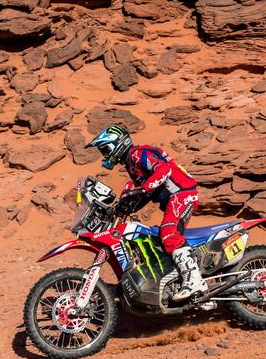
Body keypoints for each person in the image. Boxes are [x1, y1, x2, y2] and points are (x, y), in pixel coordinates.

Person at [86, 124, 207, 301]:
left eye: (105, 149)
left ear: (117, 144)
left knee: (168, 233)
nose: (104, 155)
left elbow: (163, 171)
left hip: (182, 193)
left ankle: (195, 281)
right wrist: (124, 207)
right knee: (157, 238)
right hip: (176, 197)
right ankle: (193, 289)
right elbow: (145, 194)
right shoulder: (131, 162)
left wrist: (143, 188)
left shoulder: (137, 153)